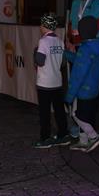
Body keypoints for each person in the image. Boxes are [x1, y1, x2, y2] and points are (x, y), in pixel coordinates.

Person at [64, 19, 99, 152]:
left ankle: (93, 136)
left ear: (83, 32)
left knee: (76, 114)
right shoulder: (96, 46)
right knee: (88, 116)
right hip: (93, 90)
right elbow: (80, 61)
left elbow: (78, 75)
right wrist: (66, 54)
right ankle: (83, 141)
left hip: (83, 90)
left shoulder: (85, 49)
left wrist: (69, 96)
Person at [33, 13, 69, 149]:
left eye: (41, 24)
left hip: (44, 83)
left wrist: (36, 53)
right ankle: (63, 135)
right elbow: (63, 63)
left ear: (45, 26)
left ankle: (45, 138)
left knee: (45, 112)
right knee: (59, 110)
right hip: (57, 82)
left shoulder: (43, 41)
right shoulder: (60, 41)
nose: (40, 27)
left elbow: (40, 61)